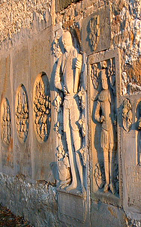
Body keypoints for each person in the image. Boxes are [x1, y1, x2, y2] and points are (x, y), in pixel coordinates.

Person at [54, 31, 84, 192]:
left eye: (66, 41)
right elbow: (56, 80)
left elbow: (77, 80)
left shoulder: (76, 55)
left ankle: (81, 182)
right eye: (63, 42)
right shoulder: (61, 59)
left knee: (77, 142)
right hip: (66, 100)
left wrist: (78, 70)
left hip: (73, 102)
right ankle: (73, 181)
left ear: (70, 41)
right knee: (68, 143)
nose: (65, 44)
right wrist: (62, 87)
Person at [94, 70, 115, 193]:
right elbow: (95, 114)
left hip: (111, 126)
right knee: (105, 155)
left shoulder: (111, 94)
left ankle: (112, 182)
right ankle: (107, 182)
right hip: (104, 128)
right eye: (101, 80)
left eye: (105, 79)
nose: (104, 82)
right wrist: (99, 118)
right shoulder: (100, 95)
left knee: (112, 154)